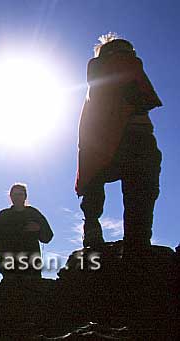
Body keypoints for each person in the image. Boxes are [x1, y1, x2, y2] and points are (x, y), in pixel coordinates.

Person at [75, 33, 162, 256]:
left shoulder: (96, 78)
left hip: (104, 142)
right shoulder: (129, 64)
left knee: (94, 176)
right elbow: (145, 97)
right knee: (141, 192)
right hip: (138, 137)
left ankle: (93, 232)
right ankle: (137, 244)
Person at [0, 184, 53, 279]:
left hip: (31, 268)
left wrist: (39, 228)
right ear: (10, 197)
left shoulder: (33, 213)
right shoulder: (3, 215)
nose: (17, 197)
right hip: (9, 268)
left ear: (25, 196)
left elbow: (48, 236)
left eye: (20, 194)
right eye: (14, 195)